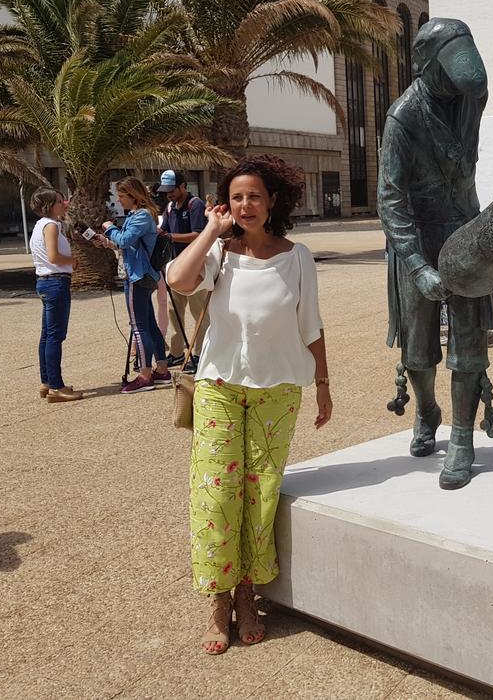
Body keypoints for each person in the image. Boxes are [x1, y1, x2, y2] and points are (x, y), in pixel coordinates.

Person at [166, 154, 332, 656]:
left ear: (273, 200)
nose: (246, 205)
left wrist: (323, 384)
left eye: (254, 195)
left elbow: (312, 325)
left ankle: (247, 592)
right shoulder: (219, 253)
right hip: (219, 384)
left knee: (260, 495)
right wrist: (210, 231)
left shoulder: (297, 257)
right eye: (236, 197)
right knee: (216, 494)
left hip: (279, 390)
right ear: (226, 203)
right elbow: (177, 280)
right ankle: (218, 602)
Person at [378, 17, 493, 490]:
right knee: (418, 350)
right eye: (446, 71)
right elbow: (391, 198)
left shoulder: (473, 98)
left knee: (469, 343)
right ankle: (427, 409)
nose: (455, 83)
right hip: (418, 237)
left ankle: (463, 439)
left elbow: (476, 82)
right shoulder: (402, 118)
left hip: (465, 229)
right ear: (425, 66)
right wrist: (417, 264)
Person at [101, 178, 171, 394]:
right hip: (141, 273)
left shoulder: (141, 215)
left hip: (137, 276)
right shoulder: (138, 215)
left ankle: (145, 374)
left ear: (133, 195)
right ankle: (161, 368)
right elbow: (127, 243)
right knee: (149, 323)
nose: (119, 200)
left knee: (138, 326)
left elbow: (124, 240)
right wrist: (105, 239)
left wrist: (109, 228)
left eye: (121, 196)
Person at [28, 188, 83, 403]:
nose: (65, 204)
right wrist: (73, 261)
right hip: (56, 281)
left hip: (45, 282)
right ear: (49, 205)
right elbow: (54, 256)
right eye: (60, 201)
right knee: (55, 335)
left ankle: (47, 381)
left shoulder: (40, 226)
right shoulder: (51, 225)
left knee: (47, 335)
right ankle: (56, 386)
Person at [158, 170, 209, 373]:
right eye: (166, 191)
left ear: (182, 186)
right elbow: (164, 230)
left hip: (195, 265)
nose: (168, 194)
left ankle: (199, 355)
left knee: (200, 313)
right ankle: (177, 352)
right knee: (174, 311)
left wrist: (170, 237)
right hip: (176, 266)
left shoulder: (195, 205)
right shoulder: (170, 207)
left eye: (171, 190)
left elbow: (198, 235)